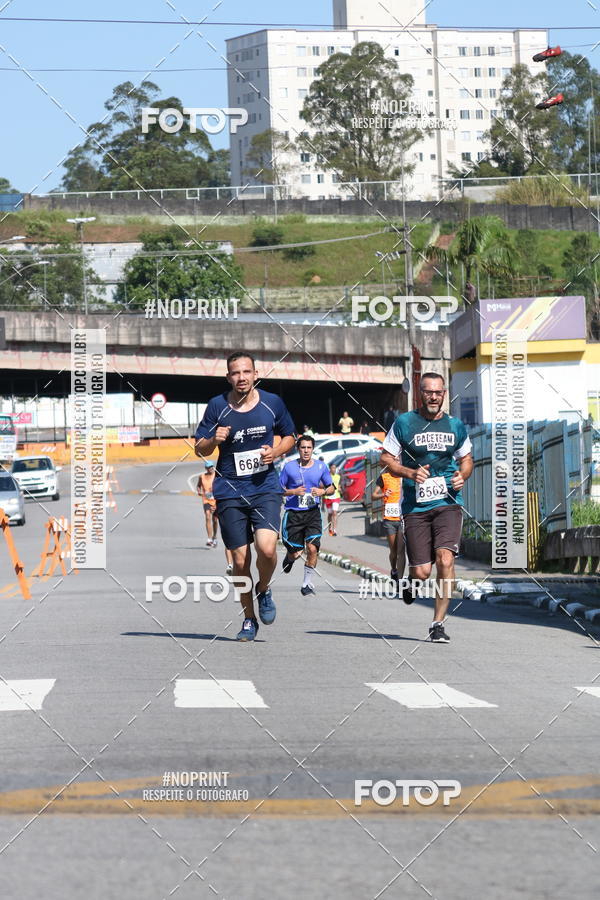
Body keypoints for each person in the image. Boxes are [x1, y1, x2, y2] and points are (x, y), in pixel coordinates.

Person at [195, 351, 296, 642]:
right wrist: (215, 440)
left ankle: (263, 588)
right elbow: (199, 448)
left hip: (265, 487)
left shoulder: (272, 403)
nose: (242, 378)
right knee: (240, 561)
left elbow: (290, 435)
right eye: (235, 373)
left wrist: (275, 452)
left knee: (266, 549)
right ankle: (249, 619)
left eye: (246, 372)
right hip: (229, 492)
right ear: (228, 377)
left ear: (255, 374)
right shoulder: (217, 406)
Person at [380, 372, 473, 643]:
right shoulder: (404, 423)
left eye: (438, 392)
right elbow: (386, 458)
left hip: (448, 502)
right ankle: (411, 580)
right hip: (416, 506)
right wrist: (409, 473)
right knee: (421, 572)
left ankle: (437, 624)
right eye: (428, 392)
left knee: (446, 559)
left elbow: (467, 460)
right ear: (420, 394)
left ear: (444, 394)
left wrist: (462, 475)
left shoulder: (455, 426)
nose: (434, 397)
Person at [279, 435, 334, 596]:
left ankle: (306, 584)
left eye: (309, 447)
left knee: (312, 548)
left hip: (312, 514)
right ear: (298, 449)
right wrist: (293, 492)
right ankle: (289, 558)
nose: (306, 451)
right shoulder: (289, 467)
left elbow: (332, 488)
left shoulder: (321, 467)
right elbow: (278, 489)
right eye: (303, 447)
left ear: (313, 449)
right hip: (294, 515)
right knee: (296, 553)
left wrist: (323, 491)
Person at [196, 460, 234, 574]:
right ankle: (209, 538)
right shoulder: (201, 476)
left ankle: (214, 537)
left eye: (211, 467)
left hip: (216, 501)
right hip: (206, 500)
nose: (210, 469)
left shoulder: (217, 476)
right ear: (205, 468)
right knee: (208, 516)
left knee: (215, 520)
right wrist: (199, 491)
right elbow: (198, 486)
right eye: (208, 467)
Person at [372, 469, 405, 587]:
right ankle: (394, 570)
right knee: (394, 551)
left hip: (402, 519)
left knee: (401, 550)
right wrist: (383, 494)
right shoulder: (384, 477)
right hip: (389, 520)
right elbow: (373, 496)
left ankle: (400, 581)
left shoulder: (404, 477)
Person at [324, 462, 341, 536]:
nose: (334, 469)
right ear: (330, 469)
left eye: (335, 468)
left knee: (335, 513)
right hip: (328, 497)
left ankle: (334, 529)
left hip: (336, 496)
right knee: (330, 514)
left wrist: (340, 488)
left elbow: (339, 485)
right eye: (332, 468)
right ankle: (330, 528)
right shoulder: (327, 477)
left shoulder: (338, 476)